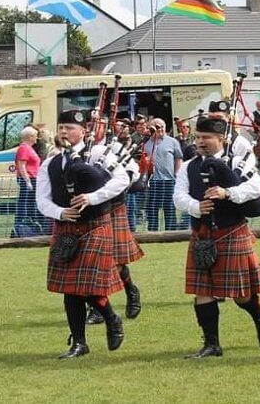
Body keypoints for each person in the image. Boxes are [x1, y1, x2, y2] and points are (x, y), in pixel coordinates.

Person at [173, 115, 260, 358]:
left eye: (206, 137)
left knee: (241, 295)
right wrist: (196, 207)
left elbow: (257, 187)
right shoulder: (189, 166)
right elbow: (179, 196)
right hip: (202, 233)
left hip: (231, 231)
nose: (200, 142)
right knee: (203, 291)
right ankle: (212, 345)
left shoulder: (237, 162)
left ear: (221, 138)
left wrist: (227, 192)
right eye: (197, 137)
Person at [36, 109, 129, 358]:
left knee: (85, 286)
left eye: (70, 128)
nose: (64, 132)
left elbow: (122, 179)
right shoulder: (50, 162)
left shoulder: (98, 154)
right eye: (61, 127)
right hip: (67, 227)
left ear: (83, 131)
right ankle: (79, 342)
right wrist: (60, 212)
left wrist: (92, 197)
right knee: (70, 288)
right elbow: (41, 200)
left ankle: (111, 318)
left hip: (95, 224)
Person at [86, 131, 145, 325]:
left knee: (115, 262)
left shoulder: (116, 147)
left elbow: (134, 171)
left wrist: (115, 184)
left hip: (113, 206)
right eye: (90, 124)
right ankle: (96, 309)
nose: (94, 128)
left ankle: (131, 291)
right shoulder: (81, 150)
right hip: (88, 209)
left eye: (99, 123)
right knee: (92, 262)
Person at [143, 118, 185, 231]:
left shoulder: (172, 141)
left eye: (162, 126)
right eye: (156, 126)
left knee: (169, 208)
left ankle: (170, 233)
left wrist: (176, 174)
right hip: (152, 181)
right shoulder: (146, 143)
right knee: (152, 208)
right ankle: (152, 232)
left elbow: (178, 158)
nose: (160, 129)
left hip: (169, 180)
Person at [15, 126, 43, 236]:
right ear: (30, 137)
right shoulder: (24, 148)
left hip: (33, 178)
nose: (37, 138)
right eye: (35, 136)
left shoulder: (29, 148)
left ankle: (30, 226)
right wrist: (27, 181)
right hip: (28, 179)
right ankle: (21, 226)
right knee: (25, 203)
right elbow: (21, 165)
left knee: (30, 204)